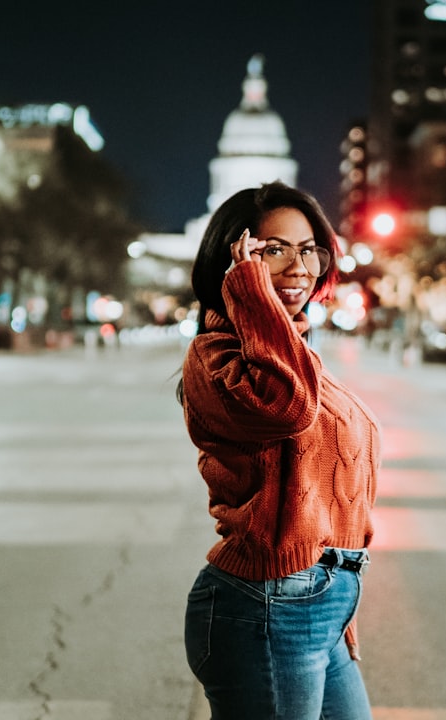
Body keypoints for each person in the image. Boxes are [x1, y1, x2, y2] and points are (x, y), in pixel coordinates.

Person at [178, 181, 380, 719]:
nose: (299, 267)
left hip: (319, 605)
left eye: (309, 248)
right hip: (267, 606)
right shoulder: (215, 356)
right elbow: (283, 409)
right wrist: (249, 297)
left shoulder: (297, 352)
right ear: (235, 261)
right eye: (272, 250)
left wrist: (338, 606)